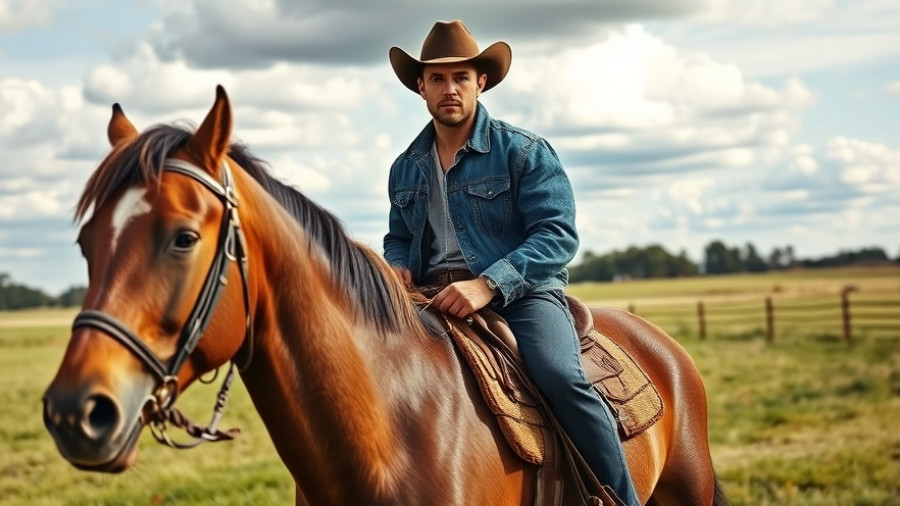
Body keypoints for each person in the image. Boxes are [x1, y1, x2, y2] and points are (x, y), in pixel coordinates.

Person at [383, 20, 640, 505]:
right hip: (429, 296)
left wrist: (488, 285)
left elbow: (556, 235)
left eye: (461, 77)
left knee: (560, 376)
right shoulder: (405, 165)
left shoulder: (524, 151)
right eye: (437, 79)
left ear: (481, 82)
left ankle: (620, 499)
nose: (449, 88)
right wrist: (396, 265)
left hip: (521, 292)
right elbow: (398, 236)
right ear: (420, 86)